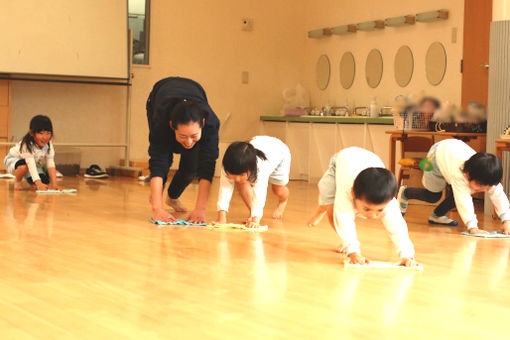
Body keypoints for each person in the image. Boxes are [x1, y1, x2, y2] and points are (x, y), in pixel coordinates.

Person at [308, 147, 417, 266]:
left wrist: (407, 255)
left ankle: (346, 241)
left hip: (365, 161)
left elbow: (397, 228)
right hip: (340, 161)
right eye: (367, 209)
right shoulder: (346, 192)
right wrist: (353, 252)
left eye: (380, 210)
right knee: (331, 207)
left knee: (392, 221)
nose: (373, 215)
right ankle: (321, 210)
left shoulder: (388, 201)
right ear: (353, 193)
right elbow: (344, 220)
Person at [397, 139, 510, 234]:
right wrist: (472, 227)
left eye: (487, 187)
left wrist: (506, 220)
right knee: (433, 195)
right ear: (468, 174)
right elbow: (463, 200)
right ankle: (405, 192)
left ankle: (437, 215)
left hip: (452, 151)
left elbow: (498, 195)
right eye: (480, 186)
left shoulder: (487, 175)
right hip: (436, 155)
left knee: (460, 192)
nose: (483, 190)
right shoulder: (459, 175)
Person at [147, 77, 219, 224]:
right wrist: (157, 209)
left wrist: (200, 210)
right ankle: (157, 198)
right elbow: (157, 162)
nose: (188, 141)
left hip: (194, 88)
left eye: (194, 136)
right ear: (172, 125)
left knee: (191, 168)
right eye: (183, 136)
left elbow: (207, 166)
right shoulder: (160, 121)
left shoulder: (211, 123)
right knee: (163, 160)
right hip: (159, 95)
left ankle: (172, 198)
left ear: (203, 124)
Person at [216, 136, 291, 228]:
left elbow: (260, 193)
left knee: (277, 190)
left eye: (241, 175)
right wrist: (221, 217)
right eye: (234, 175)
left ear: (251, 169)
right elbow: (225, 189)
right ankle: (252, 213)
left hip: (280, 154)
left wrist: (256, 219)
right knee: (242, 183)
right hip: (260, 143)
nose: (238, 179)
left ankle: (283, 201)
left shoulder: (260, 168)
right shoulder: (228, 165)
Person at [4, 115, 58, 191]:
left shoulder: (49, 144)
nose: (45, 137)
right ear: (32, 133)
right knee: (24, 167)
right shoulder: (26, 144)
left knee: (44, 181)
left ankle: (32, 182)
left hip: (32, 163)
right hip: (14, 161)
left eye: (48, 133)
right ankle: (17, 181)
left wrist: (54, 184)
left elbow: (50, 163)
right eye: (41, 133)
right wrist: (38, 184)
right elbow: (30, 163)